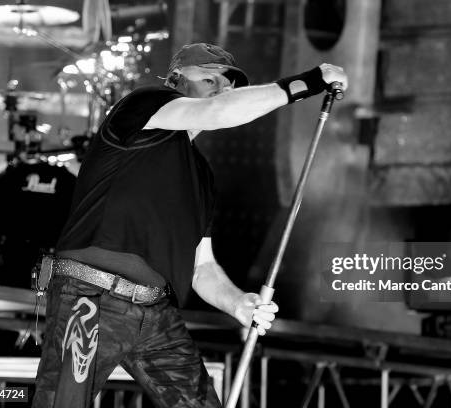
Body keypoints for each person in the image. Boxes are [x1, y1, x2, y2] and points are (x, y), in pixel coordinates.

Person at [32, 43, 348, 408]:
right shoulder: (143, 106)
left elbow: (203, 267)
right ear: (175, 78)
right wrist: (308, 82)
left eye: (229, 84)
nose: (221, 88)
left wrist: (238, 305)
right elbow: (217, 111)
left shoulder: (201, 175)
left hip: (156, 313)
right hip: (90, 295)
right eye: (210, 77)